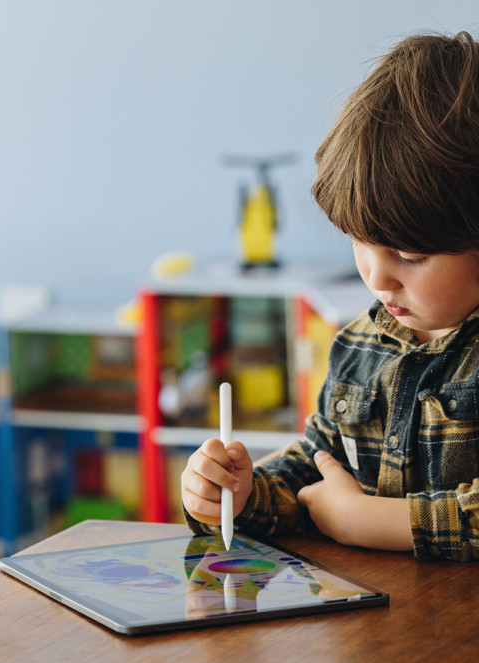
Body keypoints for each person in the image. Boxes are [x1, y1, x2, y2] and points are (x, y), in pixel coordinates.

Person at [181, 30, 479, 561]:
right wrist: (240, 495)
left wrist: (367, 521)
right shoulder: (360, 344)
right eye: (359, 244)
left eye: (409, 255)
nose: (377, 278)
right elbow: (319, 469)